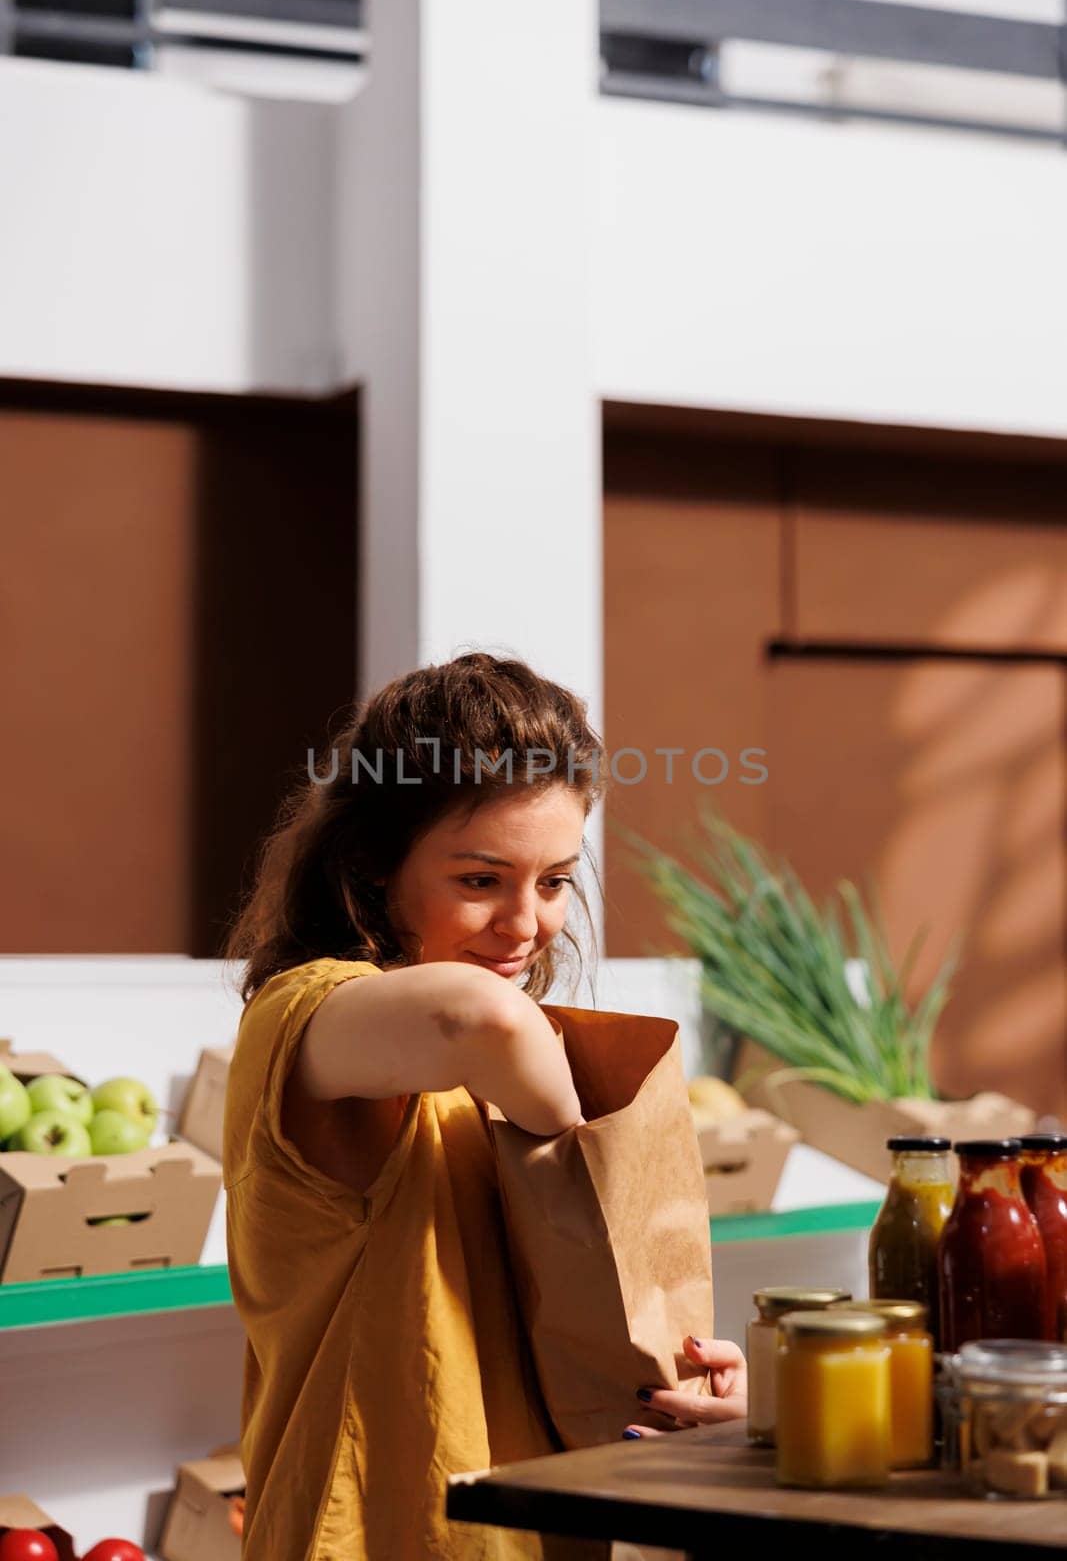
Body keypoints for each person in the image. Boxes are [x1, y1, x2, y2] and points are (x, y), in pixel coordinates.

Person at [223, 650, 746, 1561]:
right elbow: (486, 1020)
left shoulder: (486, 1071)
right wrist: (581, 1150)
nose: (526, 923)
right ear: (373, 869)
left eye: (551, 881)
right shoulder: (306, 1018)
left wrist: (681, 1381)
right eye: (479, 880)